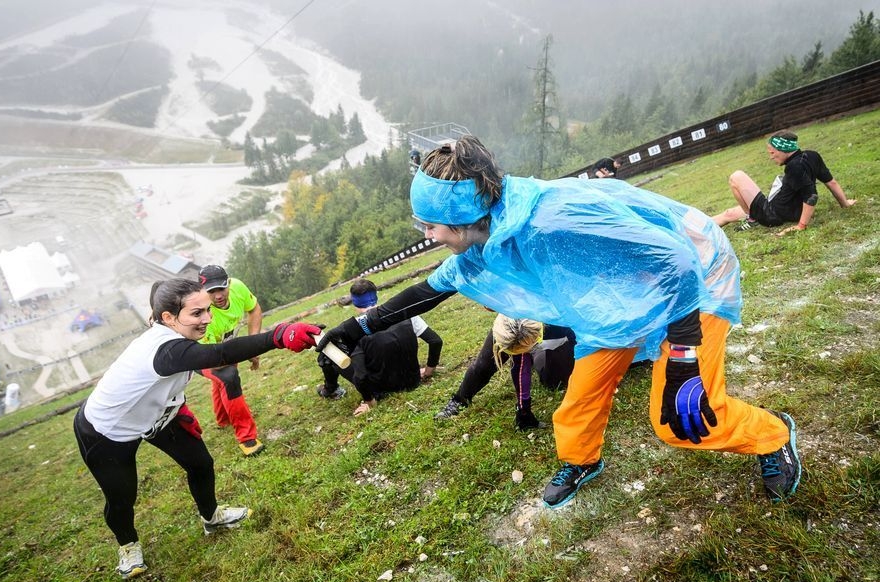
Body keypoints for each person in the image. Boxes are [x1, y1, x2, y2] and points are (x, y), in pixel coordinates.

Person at [317, 136, 800, 509]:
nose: (426, 235)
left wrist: (683, 358)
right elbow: (431, 288)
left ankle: (773, 436)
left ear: (461, 217)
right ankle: (581, 461)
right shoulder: (487, 236)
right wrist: (359, 327)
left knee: (680, 419)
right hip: (616, 302)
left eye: (429, 226)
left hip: (693, 280)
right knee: (579, 400)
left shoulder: (549, 220)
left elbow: (674, 258)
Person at [73, 278, 319, 579]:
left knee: (201, 464)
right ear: (168, 318)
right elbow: (220, 355)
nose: (207, 318)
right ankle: (128, 545)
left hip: (158, 415)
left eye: (207, 310)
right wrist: (277, 336)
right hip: (107, 431)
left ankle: (211, 517)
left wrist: (179, 408)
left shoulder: (174, 335)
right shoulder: (165, 349)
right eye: (196, 313)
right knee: (122, 497)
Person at [317, 278, 443, 416]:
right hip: (412, 380)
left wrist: (369, 401)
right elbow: (435, 341)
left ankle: (331, 389)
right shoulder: (402, 313)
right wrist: (429, 370)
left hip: (381, 389)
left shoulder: (355, 330)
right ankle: (332, 389)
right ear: (376, 296)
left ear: (354, 302)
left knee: (331, 353)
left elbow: (361, 376)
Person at [435, 315, 575, 431]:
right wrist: (523, 409)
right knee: (484, 365)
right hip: (515, 326)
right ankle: (460, 399)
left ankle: (537, 353)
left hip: (551, 330)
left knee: (553, 381)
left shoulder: (566, 323)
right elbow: (520, 366)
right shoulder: (508, 324)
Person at [712, 130, 855, 235]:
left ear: (784, 149)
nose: (771, 157)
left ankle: (752, 218)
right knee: (729, 214)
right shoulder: (812, 155)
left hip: (772, 214)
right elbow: (831, 182)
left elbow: (811, 196)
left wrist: (801, 225)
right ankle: (697, 228)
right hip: (782, 209)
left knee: (736, 176)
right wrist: (845, 204)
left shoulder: (794, 167)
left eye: (772, 153)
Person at [196, 264, 265, 457]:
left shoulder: (238, 287)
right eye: (211, 291)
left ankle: (222, 419)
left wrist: (253, 344)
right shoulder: (203, 313)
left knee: (224, 376)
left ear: (229, 283)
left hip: (223, 345)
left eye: (221, 288)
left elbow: (254, 309)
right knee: (228, 375)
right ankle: (246, 437)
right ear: (203, 292)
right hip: (197, 355)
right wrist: (244, 352)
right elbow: (215, 360)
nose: (218, 295)